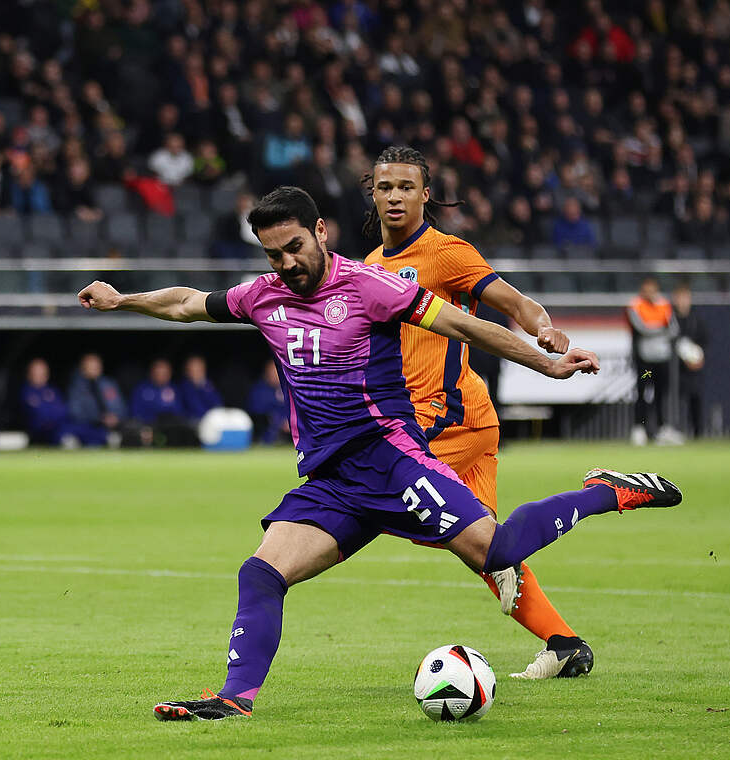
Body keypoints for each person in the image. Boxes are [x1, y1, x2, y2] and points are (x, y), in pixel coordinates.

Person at [77, 186, 681, 721]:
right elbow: (188, 303)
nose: (286, 264)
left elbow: (467, 328)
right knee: (260, 573)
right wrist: (123, 300)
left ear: (320, 233)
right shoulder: (262, 296)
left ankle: (608, 491)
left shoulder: (370, 286)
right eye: (272, 254)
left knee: (496, 552)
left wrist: (546, 362)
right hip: (332, 481)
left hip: (391, 461)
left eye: (294, 247)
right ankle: (235, 699)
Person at [361, 146, 596, 679]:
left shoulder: (447, 253)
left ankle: (604, 494)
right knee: (487, 550)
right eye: (384, 187)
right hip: (459, 419)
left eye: (405, 187)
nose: (394, 196)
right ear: (371, 194)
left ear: (426, 194)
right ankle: (565, 645)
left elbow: (514, 304)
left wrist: (543, 328)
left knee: (368, 489)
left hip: (445, 417)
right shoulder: (370, 266)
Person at [627, 277, 680, 446]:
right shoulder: (636, 305)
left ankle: (662, 429)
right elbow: (642, 328)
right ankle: (639, 429)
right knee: (642, 392)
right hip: (645, 361)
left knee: (661, 394)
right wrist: (661, 328)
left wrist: (656, 328)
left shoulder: (664, 304)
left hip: (662, 359)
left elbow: (674, 329)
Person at [672, 283, 709, 438]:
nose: (682, 302)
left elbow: (704, 341)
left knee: (696, 397)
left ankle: (697, 431)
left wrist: (699, 357)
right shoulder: (671, 320)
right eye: (680, 298)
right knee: (676, 399)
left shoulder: (697, 319)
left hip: (694, 368)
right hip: (676, 368)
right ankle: (676, 429)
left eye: (685, 298)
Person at [67, 353, 126, 446]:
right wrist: (98, 418)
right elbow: (75, 412)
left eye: (96, 366)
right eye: (89, 366)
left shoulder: (109, 384)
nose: (93, 369)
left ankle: (110, 437)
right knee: (73, 428)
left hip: (111, 426)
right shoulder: (77, 387)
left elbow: (120, 406)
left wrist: (115, 417)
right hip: (88, 425)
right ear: (82, 368)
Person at [19, 358, 76, 446]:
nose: (40, 374)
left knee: (81, 429)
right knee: (58, 433)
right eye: (36, 371)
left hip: (60, 426)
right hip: (40, 431)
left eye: (42, 371)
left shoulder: (53, 391)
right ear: (29, 374)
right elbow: (37, 414)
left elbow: (63, 411)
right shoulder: (26, 392)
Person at [245, 359, 289, 444]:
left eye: (277, 371)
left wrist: (292, 421)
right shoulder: (259, 390)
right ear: (266, 372)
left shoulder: (289, 388)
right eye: (272, 371)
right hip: (267, 433)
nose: (275, 374)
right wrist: (280, 422)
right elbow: (258, 413)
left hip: (291, 432)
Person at [131, 359, 184, 424]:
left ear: (170, 374)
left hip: (171, 426)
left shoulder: (175, 389)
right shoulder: (141, 389)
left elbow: (180, 412)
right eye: (158, 373)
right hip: (148, 425)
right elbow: (135, 413)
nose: (161, 376)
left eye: (165, 373)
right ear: (151, 373)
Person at [178, 355, 222, 420]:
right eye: (194, 369)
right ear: (187, 371)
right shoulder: (184, 387)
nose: (197, 372)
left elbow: (218, 404)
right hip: (193, 422)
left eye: (199, 369)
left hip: (211, 420)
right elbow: (194, 408)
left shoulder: (208, 385)